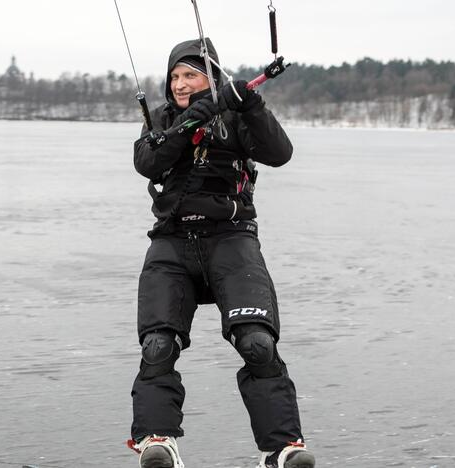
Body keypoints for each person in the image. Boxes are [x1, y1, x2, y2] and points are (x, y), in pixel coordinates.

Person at [127, 38, 316, 468]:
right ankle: (158, 440)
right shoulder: (159, 119)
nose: (179, 83)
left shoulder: (236, 115)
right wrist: (186, 123)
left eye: (189, 74)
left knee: (258, 343)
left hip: (231, 239)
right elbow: (147, 162)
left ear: (211, 77)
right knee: (158, 345)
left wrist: (251, 106)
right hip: (172, 242)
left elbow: (280, 154)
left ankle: (283, 447)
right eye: (174, 75)